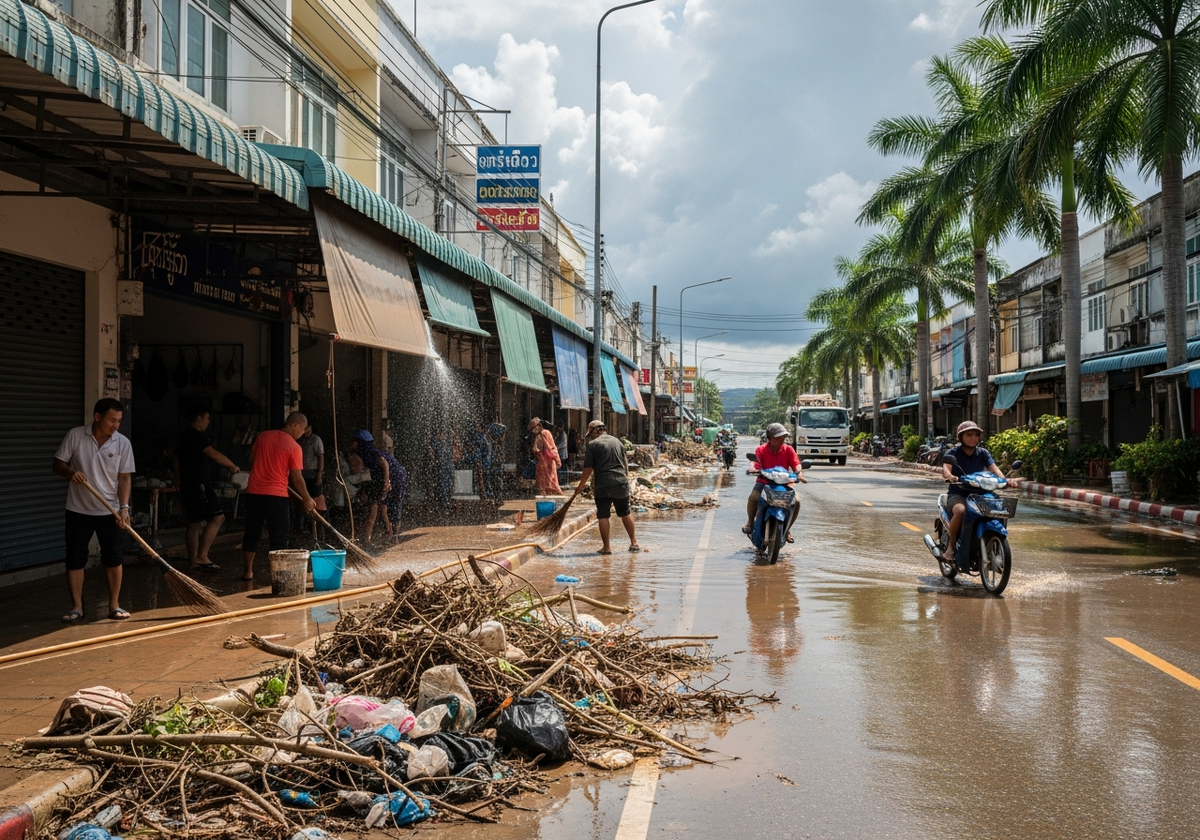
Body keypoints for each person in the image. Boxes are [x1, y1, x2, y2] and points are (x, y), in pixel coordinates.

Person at [52, 398, 136, 622]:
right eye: (112, 420)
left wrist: (124, 507)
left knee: (114, 558)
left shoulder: (122, 443)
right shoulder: (76, 435)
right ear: (97, 417)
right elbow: (57, 464)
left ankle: (114, 605)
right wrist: (71, 473)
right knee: (75, 558)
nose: (116, 425)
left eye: (119, 421)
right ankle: (77, 608)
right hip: (78, 510)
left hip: (110, 511)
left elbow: (124, 478)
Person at [242, 411, 315, 581]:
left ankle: (248, 572)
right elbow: (297, 477)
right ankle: (278, 574)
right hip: (277, 496)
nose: (303, 432)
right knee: (279, 537)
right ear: (294, 425)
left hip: (253, 494)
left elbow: (252, 459)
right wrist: (307, 498)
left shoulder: (263, 436)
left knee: (252, 533)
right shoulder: (295, 447)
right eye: (302, 428)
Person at [174, 407, 240, 572]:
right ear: (199, 418)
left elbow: (175, 458)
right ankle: (202, 556)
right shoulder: (197, 436)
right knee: (218, 517)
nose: (208, 422)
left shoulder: (183, 436)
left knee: (194, 522)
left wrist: (178, 478)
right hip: (200, 485)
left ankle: (193, 561)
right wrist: (232, 466)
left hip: (188, 484)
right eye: (207, 418)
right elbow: (213, 454)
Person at [940, 421, 1007, 563]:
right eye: (969, 435)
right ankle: (951, 547)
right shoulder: (952, 453)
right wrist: (951, 477)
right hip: (959, 493)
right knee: (961, 511)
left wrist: (1005, 480)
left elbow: (995, 469)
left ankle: (995, 548)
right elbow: (946, 469)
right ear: (961, 437)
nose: (973, 438)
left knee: (1000, 510)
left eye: (976, 435)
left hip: (980, 494)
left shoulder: (983, 453)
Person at [578, 420, 639, 554]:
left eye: (591, 434)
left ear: (596, 431)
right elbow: (625, 464)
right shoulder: (617, 442)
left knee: (603, 515)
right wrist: (625, 480)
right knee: (625, 512)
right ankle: (634, 543)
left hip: (603, 484)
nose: (591, 437)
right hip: (621, 482)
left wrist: (581, 485)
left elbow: (588, 468)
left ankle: (606, 547)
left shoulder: (593, 445)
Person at [744, 423, 804, 543]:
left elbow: (796, 464)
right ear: (769, 438)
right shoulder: (761, 450)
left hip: (784, 484)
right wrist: (753, 469)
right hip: (763, 482)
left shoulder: (788, 449)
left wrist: (799, 473)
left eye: (783, 437)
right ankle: (750, 523)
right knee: (753, 497)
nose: (782, 440)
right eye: (778, 438)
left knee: (796, 501)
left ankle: (787, 529)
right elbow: (754, 464)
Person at [298, 424, 327, 515]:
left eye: (307, 428)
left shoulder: (316, 440)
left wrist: (319, 475)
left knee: (316, 497)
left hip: (313, 472)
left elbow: (320, 457)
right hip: (302, 472)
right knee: (303, 498)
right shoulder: (300, 440)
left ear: (310, 427)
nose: (305, 430)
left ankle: (318, 519)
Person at [528, 417, 562, 495]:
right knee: (545, 483)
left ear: (539, 426)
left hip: (547, 461)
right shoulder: (540, 435)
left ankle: (556, 498)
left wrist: (556, 459)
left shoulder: (544, 433)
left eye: (534, 428)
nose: (533, 431)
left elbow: (549, 448)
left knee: (550, 482)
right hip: (544, 461)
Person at [428, 428, 455, 504]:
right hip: (441, 465)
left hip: (447, 465)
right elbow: (432, 451)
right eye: (442, 434)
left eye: (444, 434)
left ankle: (446, 497)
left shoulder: (446, 443)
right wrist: (435, 460)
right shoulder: (436, 442)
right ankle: (440, 497)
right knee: (441, 480)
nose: (444, 436)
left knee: (447, 480)